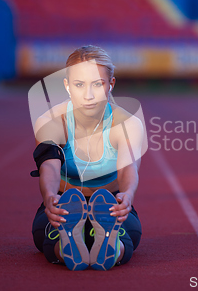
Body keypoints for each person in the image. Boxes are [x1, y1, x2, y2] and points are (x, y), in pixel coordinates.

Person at [30, 45, 144, 270]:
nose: (88, 95)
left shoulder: (128, 124)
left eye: (97, 84)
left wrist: (127, 196)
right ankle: (78, 244)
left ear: (110, 84)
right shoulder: (50, 122)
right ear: (67, 86)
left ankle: (93, 247)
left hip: (110, 204)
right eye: (79, 85)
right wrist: (50, 198)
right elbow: (50, 169)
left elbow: (128, 169)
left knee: (129, 231)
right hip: (65, 202)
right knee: (45, 231)